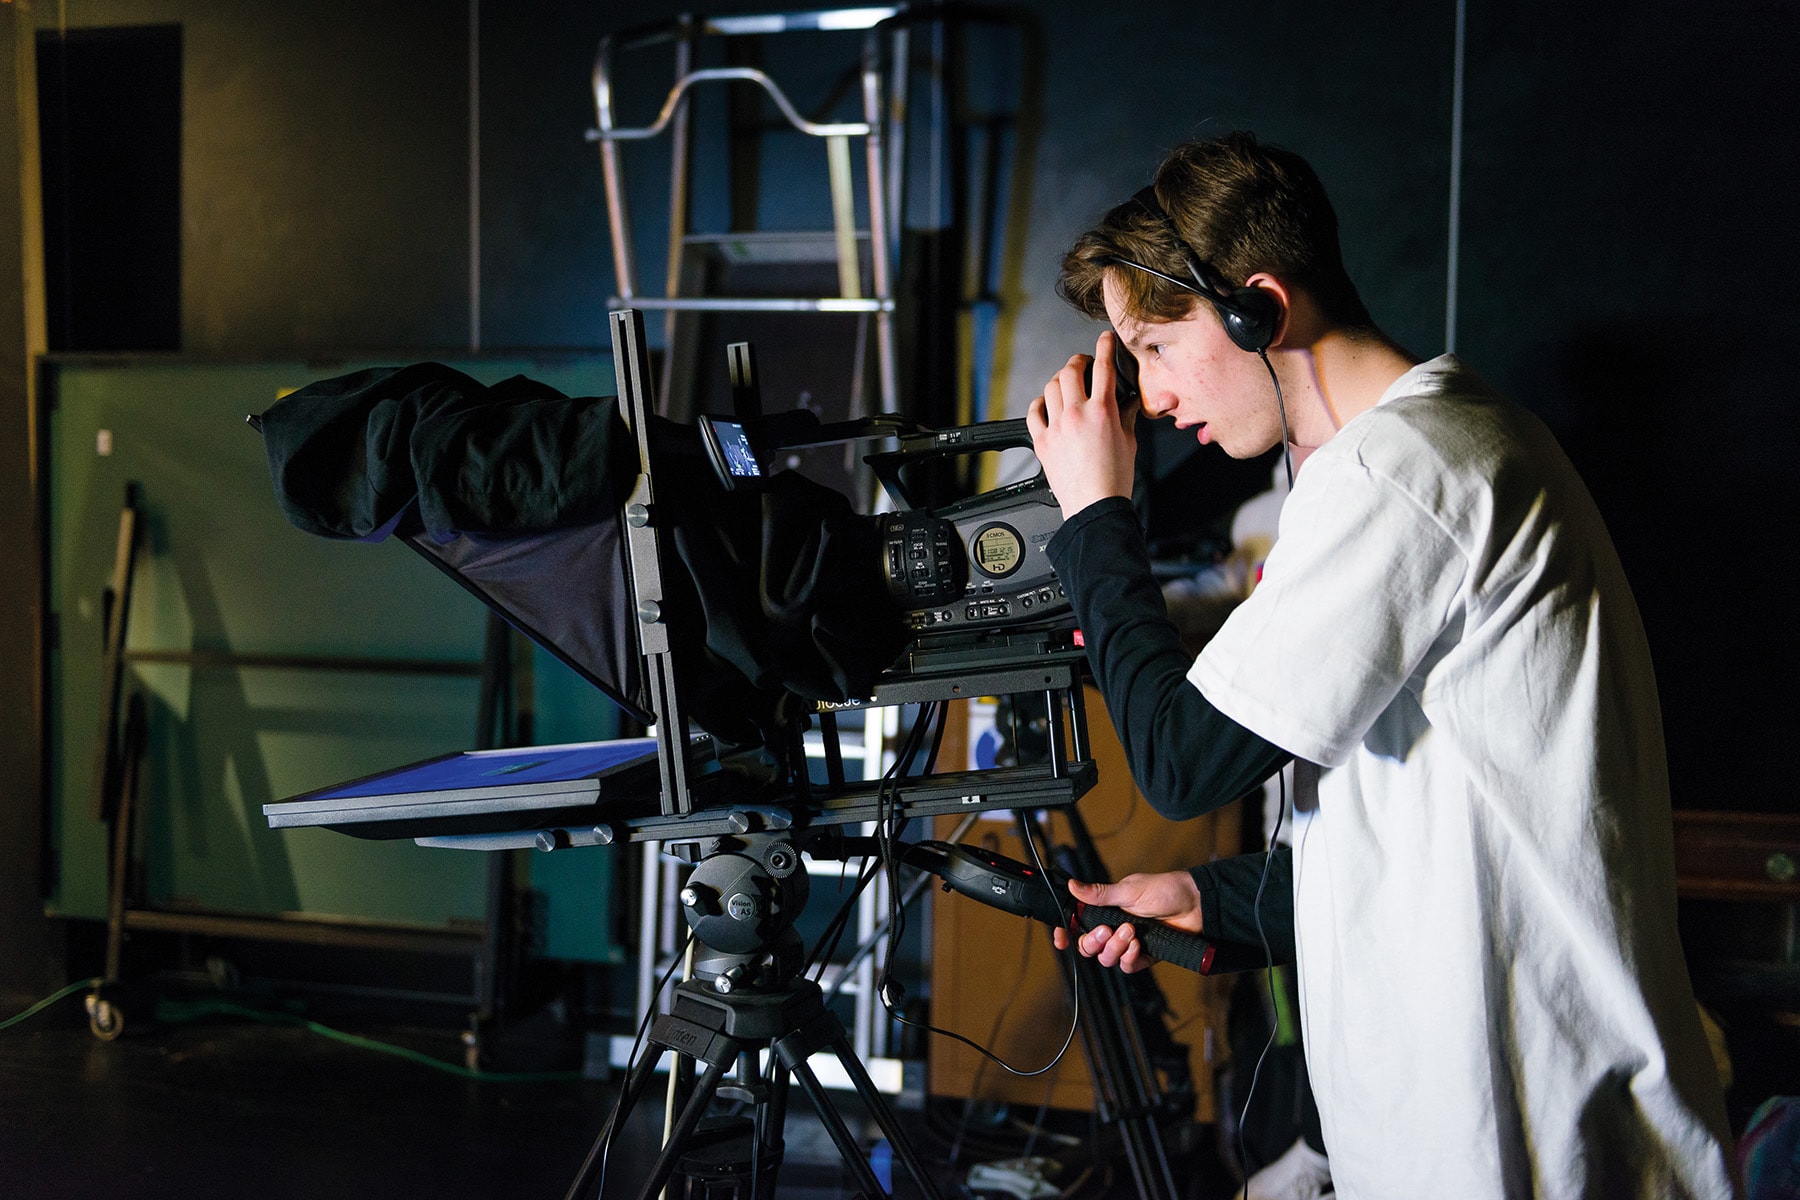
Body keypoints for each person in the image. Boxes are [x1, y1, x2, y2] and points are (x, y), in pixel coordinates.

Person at [1025, 131, 1735, 1198]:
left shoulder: (1406, 469)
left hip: (1521, 1139)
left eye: (1157, 348)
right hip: (1466, 1133)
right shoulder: (1402, 461)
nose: (1154, 399)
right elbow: (1436, 836)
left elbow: (1178, 762)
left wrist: (1095, 520)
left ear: (1257, 306)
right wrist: (1210, 898)